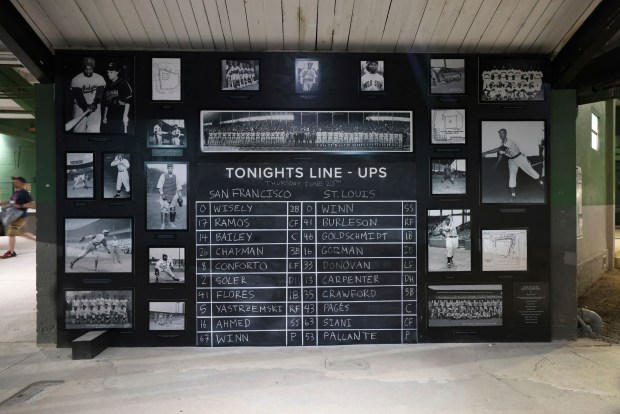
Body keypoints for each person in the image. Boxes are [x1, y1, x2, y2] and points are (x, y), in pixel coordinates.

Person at [481, 128, 544, 199]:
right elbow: (501, 155)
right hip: (511, 161)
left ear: (506, 134)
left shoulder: (509, 141)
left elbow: (499, 149)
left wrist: (486, 152)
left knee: (531, 172)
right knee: (512, 177)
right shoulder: (501, 144)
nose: (501, 135)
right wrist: (496, 164)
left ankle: (542, 184)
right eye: (500, 133)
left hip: (520, 158)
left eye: (502, 133)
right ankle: (513, 195)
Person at [0, 176, 36, 259]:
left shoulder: (24, 192)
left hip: (20, 216)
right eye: (14, 181)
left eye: (17, 182)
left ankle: (11, 252)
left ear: (22, 183)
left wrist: (21, 206)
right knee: (23, 234)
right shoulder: (16, 193)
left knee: (11, 233)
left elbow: (31, 203)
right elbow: (11, 202)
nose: (14, 183)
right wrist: (1, 204)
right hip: (15, 216)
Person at [69, 57, 106, 133]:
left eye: (91, 69)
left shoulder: (99, 78)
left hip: (95, 107)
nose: (88, 71)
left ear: (94, 68)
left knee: (94, 131)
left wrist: (95, 103)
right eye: (86, 68)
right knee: (78, 131)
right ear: (83, 68)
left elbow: (100, 92)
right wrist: (85, 107)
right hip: (80, 107)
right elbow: (78, 96)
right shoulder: (76, 79)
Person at [102, 62, 133, 134]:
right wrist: (105, 116)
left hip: (120, 115)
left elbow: (128, 100)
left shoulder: (123, 83)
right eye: (108, 72)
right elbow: (107, 103)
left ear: (117, 72)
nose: (109, 74)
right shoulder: (107, 86)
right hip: (110, 116)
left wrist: (125, 115)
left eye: (111, 72)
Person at [156, 163, 183, 229]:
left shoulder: (175, 176)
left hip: (174, 195)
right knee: (164, 209)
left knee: (173, 209)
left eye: (171, 168)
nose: (170, 169)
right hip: (165, 194)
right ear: (167, 168)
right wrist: (162, 194)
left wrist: (180, 196)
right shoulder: (163, 176)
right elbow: (160, 186)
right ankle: (163, 224)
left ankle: (172, 223)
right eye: (169, 168)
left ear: (172, 168)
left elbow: (178, 187)